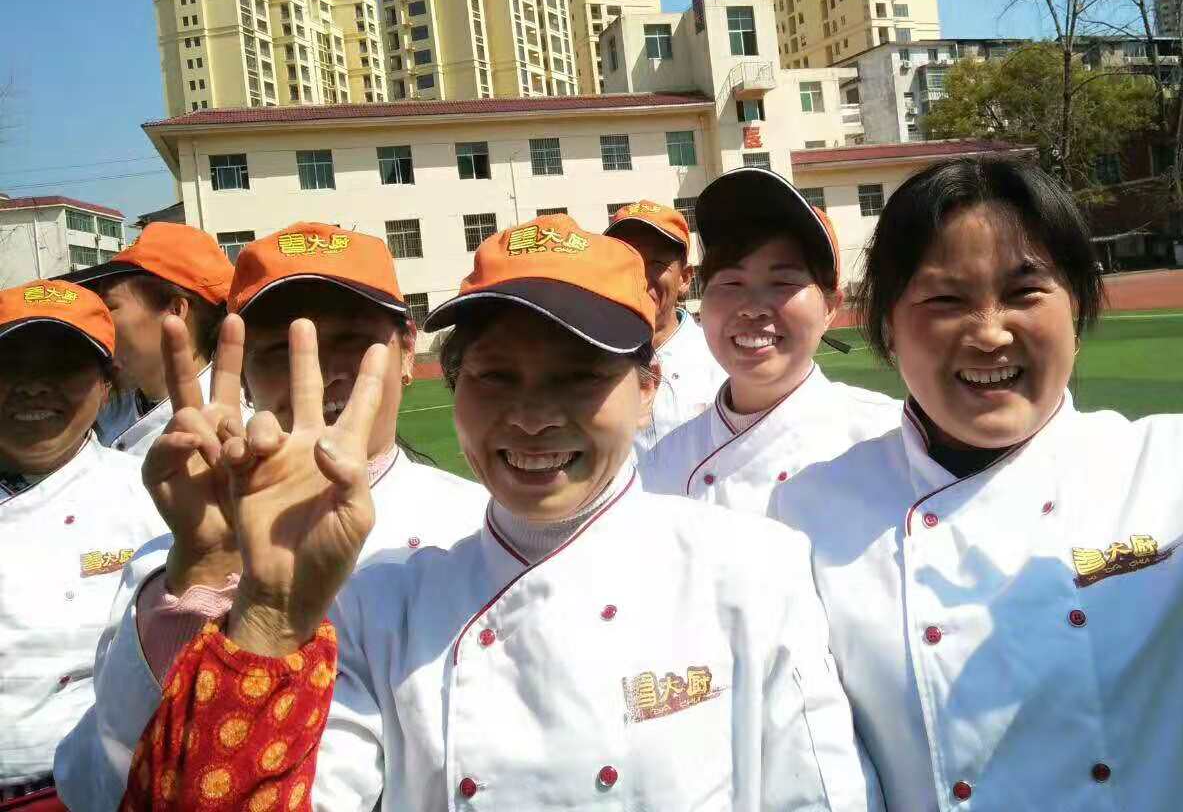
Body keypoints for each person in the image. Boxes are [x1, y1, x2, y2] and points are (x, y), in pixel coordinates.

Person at [774, 74, 1183, 811]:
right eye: (944, 299)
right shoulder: (808, 519)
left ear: (1078, 307)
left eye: (1025, 291)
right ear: (887, 327)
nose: (990, 332)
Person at [111, 213, 880, 810]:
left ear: (647, 391)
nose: (533, 417)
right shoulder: (379, 607)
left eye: (579, 378)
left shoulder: (752, 572)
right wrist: (269, 608)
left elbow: (819, 797)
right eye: (496, 377)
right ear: (453, 388)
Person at [53, 221, 489, 812]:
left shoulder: (479, 529)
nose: (322, 372)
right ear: (244, 372)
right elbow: (95, 787)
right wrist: (205, 570)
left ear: (407, 350)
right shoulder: (171, 558)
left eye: (353, 342)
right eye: (280, 351)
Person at [643, 168, 899, 516]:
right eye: (731, 283)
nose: (752, 308)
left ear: (830, 308)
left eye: (783, 283)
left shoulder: (890, 441)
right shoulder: (662, 466)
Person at [0, 281, 166, 811]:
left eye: (62, 367)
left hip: (89, 792)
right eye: (12, 366)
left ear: (107, 382)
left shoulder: (152, 496)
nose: (33, 387)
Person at [64, 222, 233, 456]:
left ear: (175, 311)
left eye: (108, 307)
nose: (97, 324)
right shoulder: (101, 409)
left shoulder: (231, 432)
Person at [603, 200, 726, 455]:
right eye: (628, 263)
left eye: (656, 264)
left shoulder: (723, 358)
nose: (640, 277)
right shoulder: (592, 361)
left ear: (685, 279)